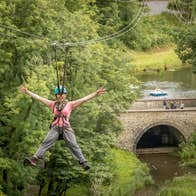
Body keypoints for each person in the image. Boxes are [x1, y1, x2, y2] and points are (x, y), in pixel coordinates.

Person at [19, 85, 106, 170]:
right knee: (45, 142)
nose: (61, 96)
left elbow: (84, 99)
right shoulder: (52, 104)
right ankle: (34, 158)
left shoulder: (70, 104)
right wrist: (27, 92)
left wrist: (95, 93)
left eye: (63, 94)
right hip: (55, 128)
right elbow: (39, 98)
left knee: (73, 145)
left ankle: (83, 162)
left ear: (65, 95)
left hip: (66, 128)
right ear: (56, 95)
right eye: (59, 94)